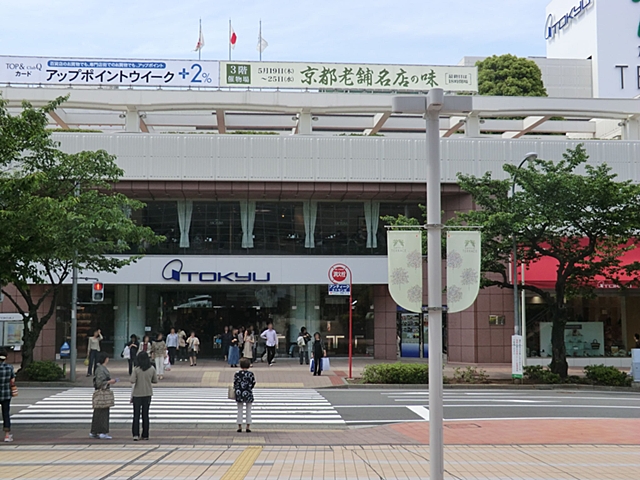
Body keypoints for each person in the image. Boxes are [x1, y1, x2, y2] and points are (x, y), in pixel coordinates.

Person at [130, 351, 157, 441]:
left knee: (136, 415)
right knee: (145, 415)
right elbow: (155, 380)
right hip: (148, 393)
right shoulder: (152, 368)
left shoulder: (136, 369)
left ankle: (135, 435)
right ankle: (145, 434)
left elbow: (132, 380)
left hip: (137, 394)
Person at [90, 352, 117, 440]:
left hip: (101, 393)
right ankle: (102, 431)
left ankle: (95, 431)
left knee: (98, 412)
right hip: (102, 392)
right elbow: (99, 382)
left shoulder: (99, 368)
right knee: (103, 412)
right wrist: (109, 382)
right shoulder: (101, 369)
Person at [234, 357, 256, 433]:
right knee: (248, 410)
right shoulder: (250, 374)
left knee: (239, 409)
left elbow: (235, 383)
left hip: (239, 393)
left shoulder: (237, 373)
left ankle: (239, 426)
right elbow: (253, 382)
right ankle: (248, 426)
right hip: (248, 392)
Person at [0, 349, 15, 442]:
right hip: (6, 394)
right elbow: (12, 381)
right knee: (6, 414)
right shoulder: (9, 367)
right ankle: (6, 435)